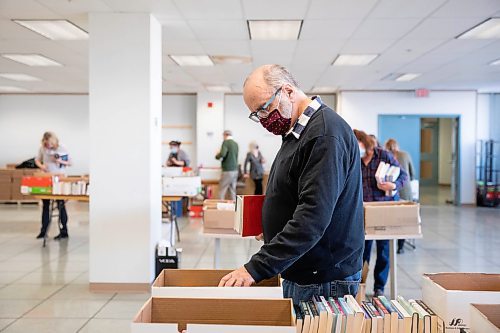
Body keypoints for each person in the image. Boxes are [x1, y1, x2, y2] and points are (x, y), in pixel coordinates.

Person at [218, 64, 364, 306]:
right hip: (304, 268)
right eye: (257, 115)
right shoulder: (296, 132)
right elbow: (298, 192)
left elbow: (313, 216)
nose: (264, 119)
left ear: (287, 91)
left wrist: (255, 268)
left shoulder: (324, 135)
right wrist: (273, 226)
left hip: (321, 277)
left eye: (264, 109)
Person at [354, 129, 408, 297]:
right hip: (363, 210)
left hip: (384, 209)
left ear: (366, 144)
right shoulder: (354, 157)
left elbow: (403, 175)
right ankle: (360, 285)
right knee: (362, 251)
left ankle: (379, 287)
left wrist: (393, 186)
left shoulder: (383, 155)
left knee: (384, 251)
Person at [34, 132, 72, 240]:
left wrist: (59, 160)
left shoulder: (62, 148)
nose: (48, 146)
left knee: (60, 205)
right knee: (45, 205)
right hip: (47, 178)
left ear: (54, 141)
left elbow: (70, 162)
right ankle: (43, 231)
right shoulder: (42, 148)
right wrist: (42, 166)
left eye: (50, 144)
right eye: (46, 144)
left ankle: (64, 231)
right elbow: (37, 159)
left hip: (60, 179)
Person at [385, 138, 416, 254]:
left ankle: (389, 242)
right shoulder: (405, 155)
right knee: (403, 219)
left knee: (391, 218)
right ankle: (400, 247)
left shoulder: (386, 156)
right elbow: (412, 173)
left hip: (390, 190)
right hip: (405, 189)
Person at [215, 130, 239, 200]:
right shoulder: (235, 144)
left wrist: (217, 155)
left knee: (222, 189)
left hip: (227, 170)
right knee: (232, 190)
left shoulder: (225, 142)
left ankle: (220, 208)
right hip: (235, 170)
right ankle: (234, 208)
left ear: (225, 135)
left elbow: (223, 154)